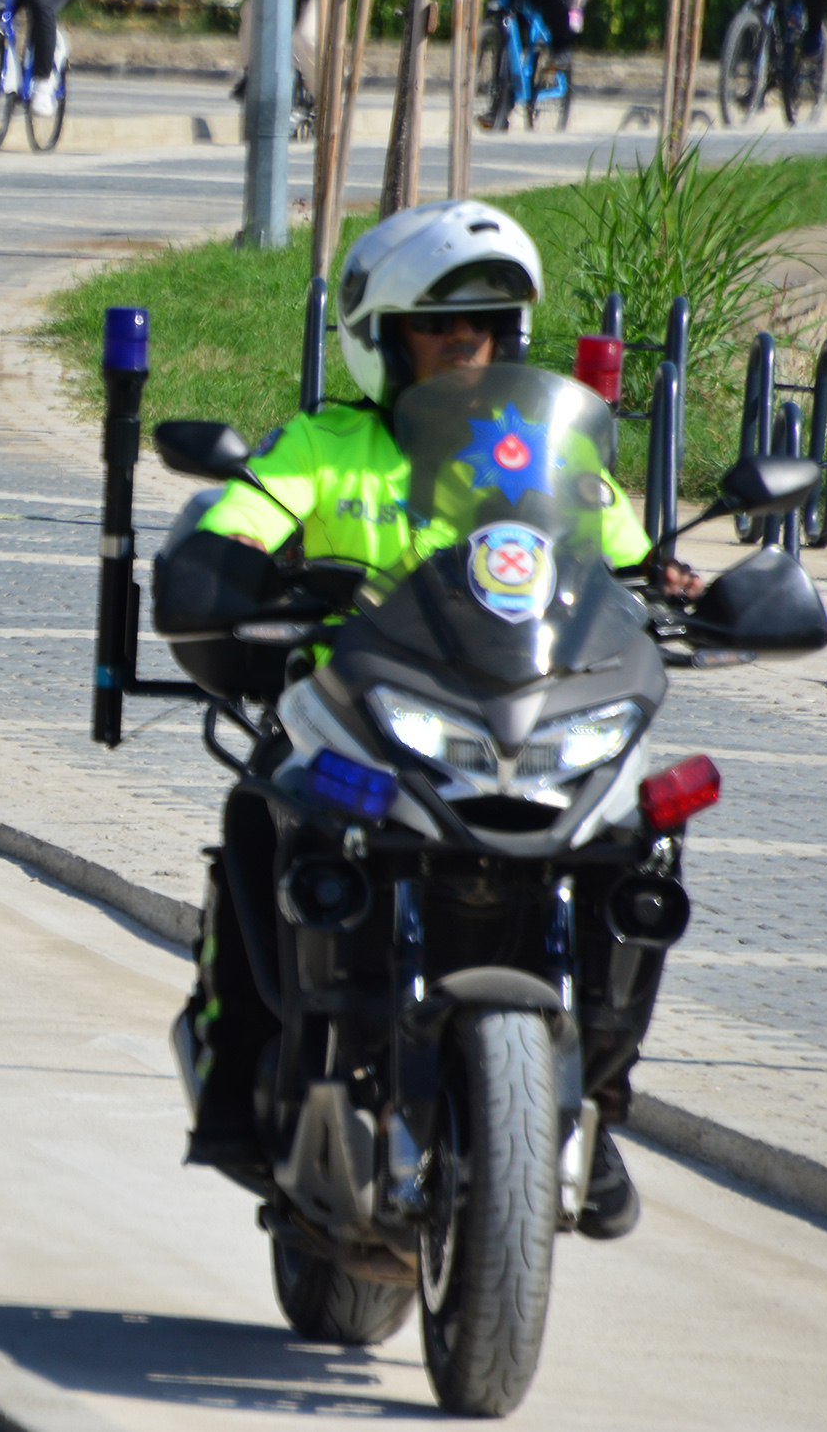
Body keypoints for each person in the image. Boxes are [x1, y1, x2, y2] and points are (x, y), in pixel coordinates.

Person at [158, 199, 698, 1242]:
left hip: (527, 720)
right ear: (382, 339)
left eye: (488, 329)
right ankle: (241, 1074)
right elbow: (239, 520)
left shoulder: (540, 459)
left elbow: (624, 560)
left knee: (643, 849)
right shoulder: (327, 444)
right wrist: (224, 564)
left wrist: (676, 580)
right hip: (362, 730)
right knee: (260, 820)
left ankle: (597, 1092)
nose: (467, 346)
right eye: (441, 328)